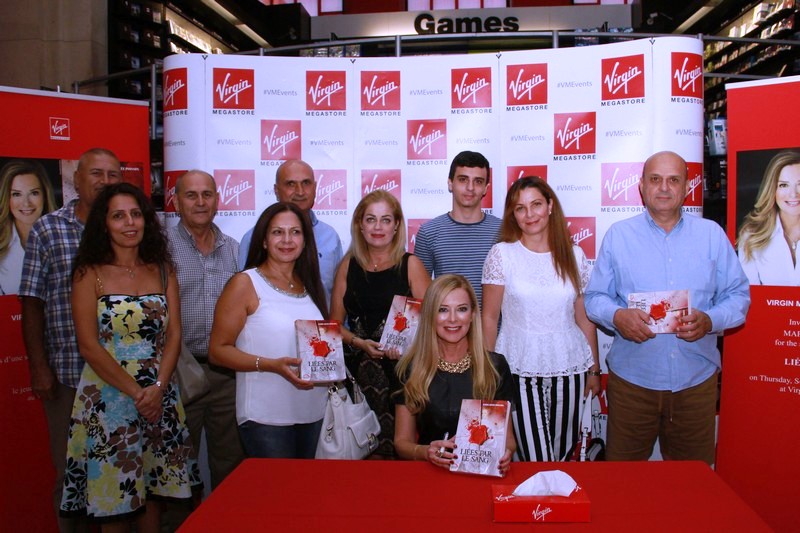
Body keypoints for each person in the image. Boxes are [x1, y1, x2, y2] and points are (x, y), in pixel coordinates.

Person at [585, 151, 750, 465]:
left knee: (693, 484)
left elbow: (738, 296)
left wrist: (710, 320)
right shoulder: (619, 236)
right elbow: (594, 299)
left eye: (673, 180)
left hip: (695, 382)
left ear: (687, 186)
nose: (664, 188)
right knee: (624, 481)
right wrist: (617, 316)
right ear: (642, 186)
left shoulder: (712, 235)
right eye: (655, 179)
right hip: (633, 383)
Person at [60, 183, 199, 529]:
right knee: (115, 504)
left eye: (136, 214)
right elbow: (89, 346)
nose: (130, 223)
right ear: (103, 224)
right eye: (118, 216)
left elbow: (174, 335)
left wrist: (158, 388)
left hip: (159, 399)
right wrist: (137, 393)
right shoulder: (88, 273)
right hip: (109, 401)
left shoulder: (163, 269)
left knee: (154, 495)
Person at [19, 147, 122, 530]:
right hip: (68, 374)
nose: (105, 181)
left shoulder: (129, 228)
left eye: (113, 175)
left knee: (116, 472)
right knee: (71, 475)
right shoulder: (48, 228)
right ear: (75, 180)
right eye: (97, 173)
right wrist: (39, 367)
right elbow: (31, 302)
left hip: (122, 378)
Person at [481, 176, 600, 462]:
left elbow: (584, 319)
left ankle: (548, 508)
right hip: (518, 370)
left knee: (560, 455)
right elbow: (488, 317)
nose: (530, 214)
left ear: (549, 206)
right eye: (520, 208)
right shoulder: (502, 255)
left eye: (536, 204)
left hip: (570, 368)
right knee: (536, 458)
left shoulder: (575, 255)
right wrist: (488, 369)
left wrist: (594, 370)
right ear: (513, 214)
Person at [209, 202, 329, 458]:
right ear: (263, 240)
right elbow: (218, 351)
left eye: (295, 232)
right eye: (277, 232)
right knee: (278, 496)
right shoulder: (245, 283)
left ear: (306, 241)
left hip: (314, 412)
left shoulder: (310, 285)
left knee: (306, 495)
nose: (287, 240)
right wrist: (271, 364)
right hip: (266, 417)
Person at [330, 189, 430, 458]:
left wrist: (409, 347)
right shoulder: (347, 266)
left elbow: (433, 323)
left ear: (397, 225)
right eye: (371, 219)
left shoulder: (411, 265)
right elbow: (333, 326)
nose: (378, 227)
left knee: (398, 456)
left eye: (386, 220)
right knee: (359, 456)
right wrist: (358, 342)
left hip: (402, 377)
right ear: (359, 225)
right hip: (355, 379)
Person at [167, 170, 244, 490]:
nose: (200, 202)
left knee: (230, 462)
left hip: (227, 373)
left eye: (207, 194)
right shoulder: (160, 247)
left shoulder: (235, 249)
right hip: (179, 369)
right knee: (177, 465)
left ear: (217, 200)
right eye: (191, 195)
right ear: (175, 202)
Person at [394, 274, 516, 474]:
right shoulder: (410, 368)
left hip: (481, 477)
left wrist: (506, 454)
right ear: (430, 315)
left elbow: (509, 441)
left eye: (461, 309)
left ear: (473, 314)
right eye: (442, 310)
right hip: (428, 475)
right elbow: (401, 442)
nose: (452, 319)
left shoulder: (495, 366)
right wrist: (426, 452)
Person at [238, 159, 343, 301]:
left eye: (306, 183)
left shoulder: (330, 236)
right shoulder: (254, 237)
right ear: (276, 190)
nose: (300, 192)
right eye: (291, 184)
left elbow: (339, 295)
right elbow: (244, 294)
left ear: (315, 187)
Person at [413, 151, 501, 304]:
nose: (470, 188)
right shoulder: (428, 232)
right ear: (450, 183)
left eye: (478, 181)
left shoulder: (503, 231)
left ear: (486, 188)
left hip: (494, 327)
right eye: (463, 179)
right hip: (446, 325)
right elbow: (420, 295)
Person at [737, 150, 800, 286]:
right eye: (784, 185)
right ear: (773, 189)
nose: (793, 194)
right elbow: (747, 296)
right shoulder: (751, 236)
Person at [0, 160, 56, 295]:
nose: (26, 203)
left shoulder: (65, 236)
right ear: (7, 198)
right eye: (16, 194)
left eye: (34, 193)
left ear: (45, 194)